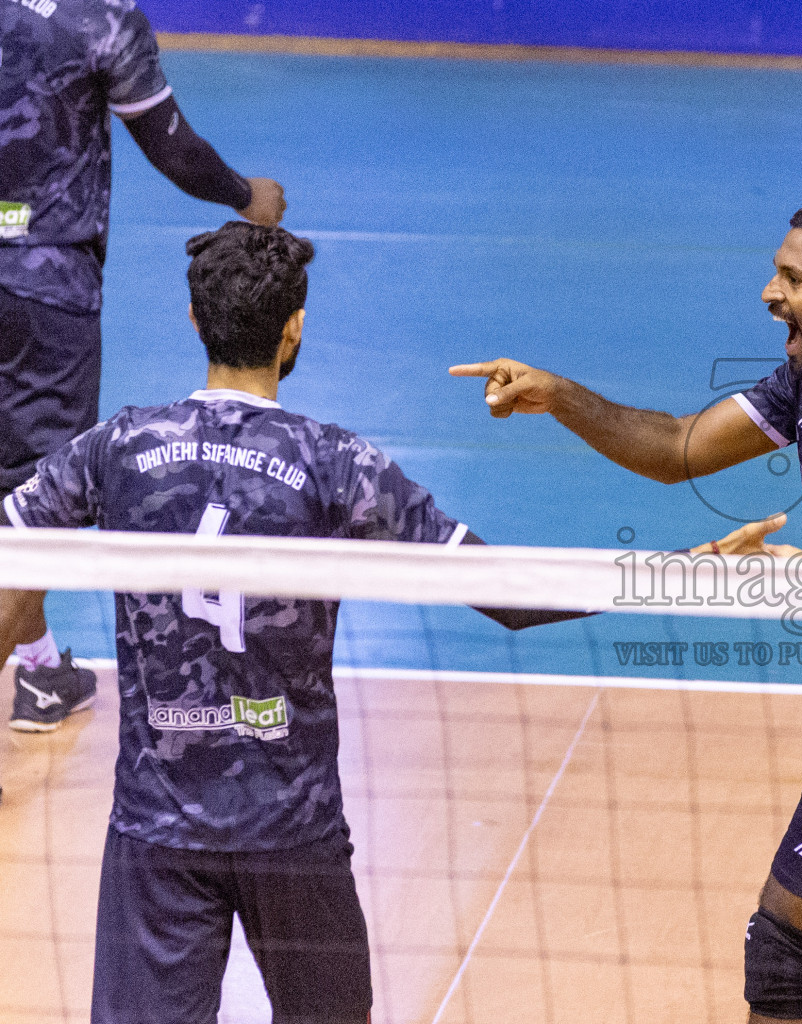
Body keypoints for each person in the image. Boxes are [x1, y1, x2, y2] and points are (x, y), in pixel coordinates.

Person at [451, 199, 802, 1023]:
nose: (769, 292)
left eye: (794, 279)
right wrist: (561, 396)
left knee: (786, 956)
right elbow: (677, 447)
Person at [0, 222, 584, 1023]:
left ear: (196, 320)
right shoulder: (336, 463)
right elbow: (511, 598)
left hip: (156, 831)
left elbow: (7, 561)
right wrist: (663, 575)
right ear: (293, 327)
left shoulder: (119, 447)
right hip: (293, 833)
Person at [0, 0, 286, 733]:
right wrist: (245, 197)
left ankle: (37, 667)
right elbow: (171, 145)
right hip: (42, 286)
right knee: (41, 504)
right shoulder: (100, 15)